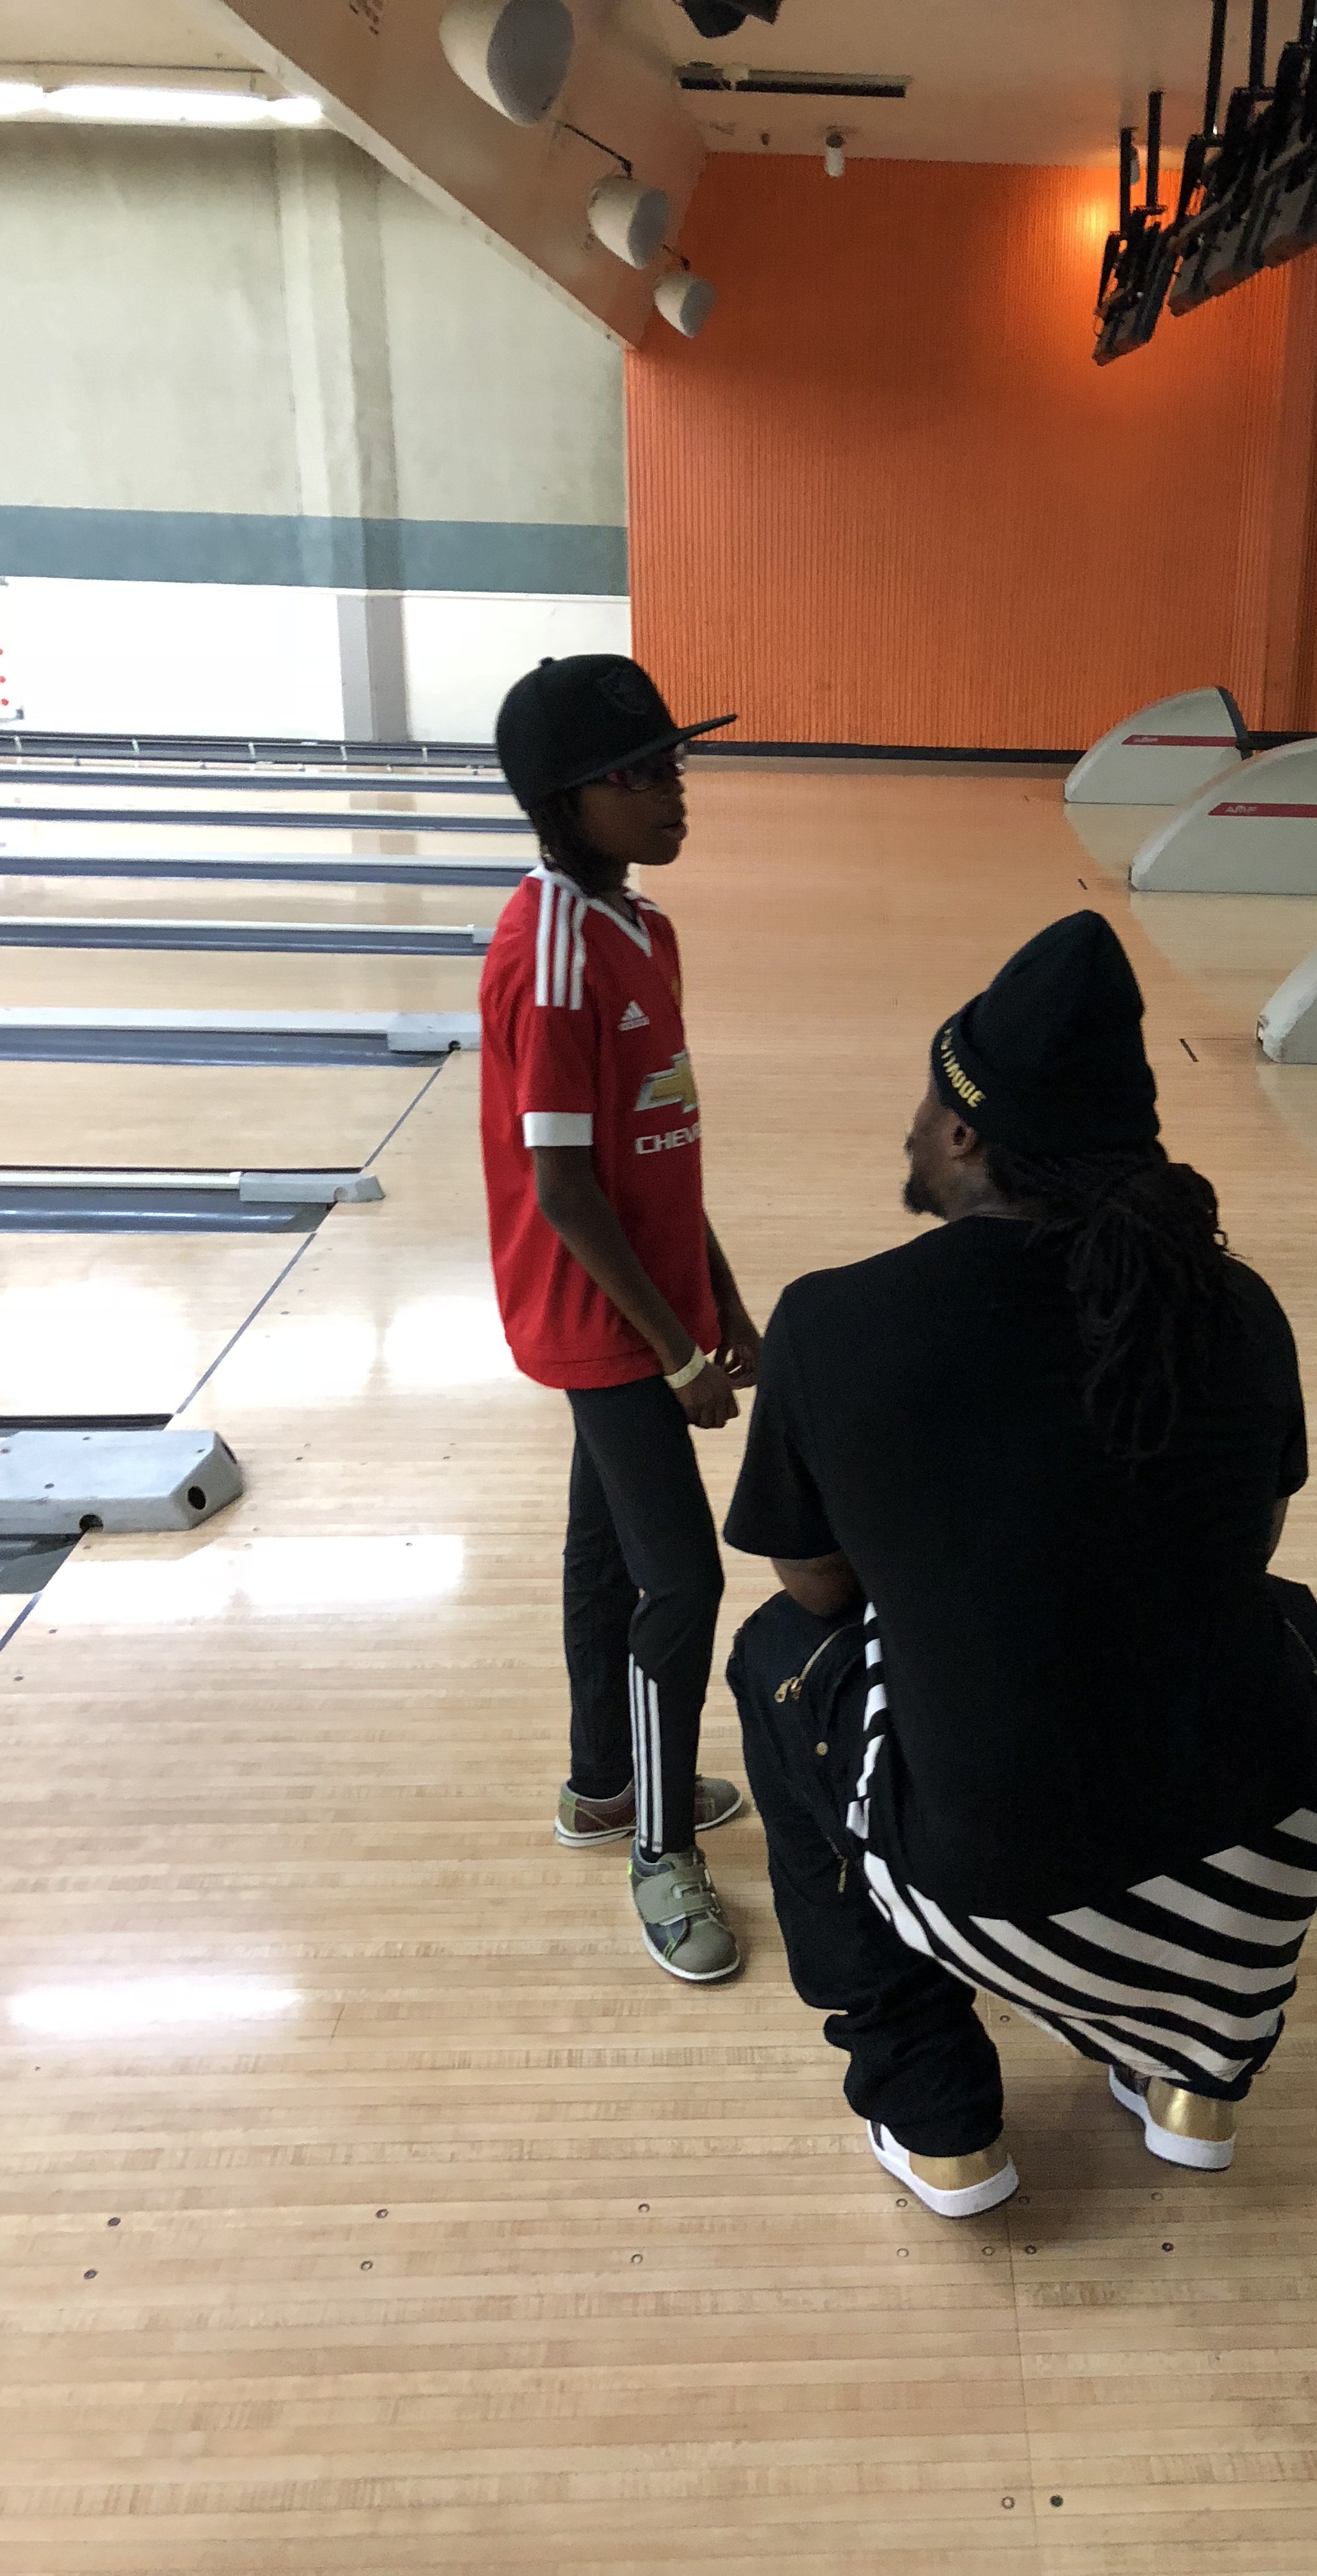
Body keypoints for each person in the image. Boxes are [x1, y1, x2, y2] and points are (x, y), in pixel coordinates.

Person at [720, 912, 1317, 2219]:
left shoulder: (833, 1323)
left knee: (777, 1662)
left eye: (927, 1098)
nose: (913, 1125)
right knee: (1279, 1619)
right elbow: (1248, 1544)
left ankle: (935, 2109)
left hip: (998, 1889)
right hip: (1260, 1859)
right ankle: (1186, 2075)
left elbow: (819, 1591)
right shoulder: (1237, 1306)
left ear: (965, 1131)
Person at [480, 653, 763, 1984]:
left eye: (674, 763)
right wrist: (676, 1350)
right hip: (596, 1314)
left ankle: (605, 1783)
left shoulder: (643, 930)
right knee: (682, 1578)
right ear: (567, 800)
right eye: (641, 773)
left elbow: (659, 1148)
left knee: (609, 1554)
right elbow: (566, 1187)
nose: (674, 790)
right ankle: (660, 1846)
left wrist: (723, 1296)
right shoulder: (548, 951)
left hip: (649, 1302)